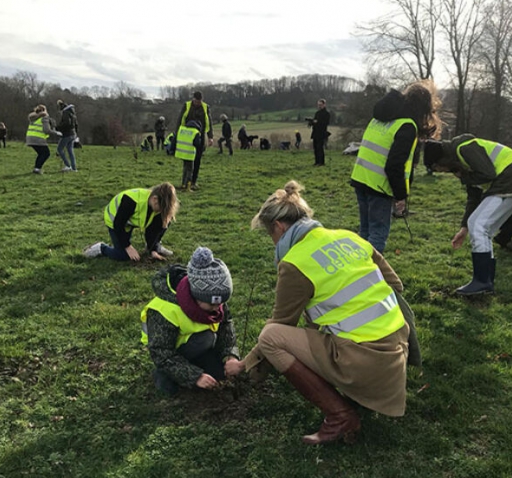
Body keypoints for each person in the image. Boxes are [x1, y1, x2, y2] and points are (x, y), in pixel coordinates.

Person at [225, 180, 410, 445]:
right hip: (395, 358)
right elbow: (395, 286)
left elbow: (280, 325)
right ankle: (360, 396)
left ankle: (339, 415)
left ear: (278, 227)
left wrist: (244, 366)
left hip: (364, 365)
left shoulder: (295, 262)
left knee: (270, 337)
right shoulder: (349, 237)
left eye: (271, 236)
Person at [423, 135, 512, 295]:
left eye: (437, 167)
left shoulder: (465, 149)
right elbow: (474, 197)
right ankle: (486, 281)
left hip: (511, 180)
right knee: (482, 228)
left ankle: (481, 282)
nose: (440, 171)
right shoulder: (462, 162)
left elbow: (488, 174)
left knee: (480, 227)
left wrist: (465, 178)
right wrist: (464, 229)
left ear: (442, 159)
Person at [350, 80, 441, 254]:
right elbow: (394, 165)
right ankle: (368, 275)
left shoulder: (379, 118)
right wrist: (400, 196)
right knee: (377, 235)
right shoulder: (407, 126)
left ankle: (355, 272)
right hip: (379, 187)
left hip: (360, 179)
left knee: (365, 232)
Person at [141, 246, 240, 395]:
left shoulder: (214, 299)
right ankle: (163, 373)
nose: (217, 308)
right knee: (170, 389)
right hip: (169, 353)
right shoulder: (164, 310)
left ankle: (196, 363)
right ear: (195, 295)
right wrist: (195, 376)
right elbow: (161, 351)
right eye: (212, 304)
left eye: (220, 303)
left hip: (198, 346)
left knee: (219, 374)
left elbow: (226, 325)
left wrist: (230, 355)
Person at [82, 182, 179, 262]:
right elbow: (118, 225)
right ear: (154, 199)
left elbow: (152, 230)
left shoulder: (158, 207)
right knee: (123, 256)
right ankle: (100, 248)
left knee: (165, 219)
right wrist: (128, 246)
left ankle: (155, 246)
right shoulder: (131, 201)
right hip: (115, 220)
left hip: (132, 220)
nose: (161, 211)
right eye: (161, 209)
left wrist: (153, 249)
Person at [178, 91, 213, 187]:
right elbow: (180, 119)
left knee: (197, 159)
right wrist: (177, 134)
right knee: (187, 160)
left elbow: (209, 122)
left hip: (200, 136)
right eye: (197, 101)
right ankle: (185, 182)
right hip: (187, 135)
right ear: (193, 99)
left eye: (200, 101)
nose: (198, 103)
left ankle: (193, 181)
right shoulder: (187, 105)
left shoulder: (206, 107)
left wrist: (210, 137)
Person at [25, 104, 60, 174]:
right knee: (46, 153)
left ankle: (37, 168)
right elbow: (46, 130)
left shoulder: (33, 118)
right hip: (38, 139)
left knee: (41, 154)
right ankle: (37, 169)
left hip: (30, 138)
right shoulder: (44, 117)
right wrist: (56, 133)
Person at [175, 119, 202, 191]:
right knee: (190, 170)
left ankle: (183, 184)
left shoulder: (182, 129)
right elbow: (197, 144)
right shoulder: (195, 132)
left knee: (185, 169)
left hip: (181, 153)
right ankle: (188, 187)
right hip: (189, 153)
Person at [56, 100, 78, 172]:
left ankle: (67, 165)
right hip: (73, 134)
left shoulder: (65, 113)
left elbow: (66, 123)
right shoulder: (73, 113)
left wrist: (58, 128)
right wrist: (76, 134)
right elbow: (76, 125)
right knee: (70, 151)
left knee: (59, 149)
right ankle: (74, 168)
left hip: (67, 134)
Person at [310, 99, 330, 166]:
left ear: (324, 105)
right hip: (315, 132)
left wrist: (317, 122)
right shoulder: (317, 113)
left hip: (322, 133)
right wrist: (311, 122)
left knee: (320, 148)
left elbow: (325, 123)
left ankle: (321, 162)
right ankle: (316, 161)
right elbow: (314, 121)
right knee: (315, 148)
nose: (319, 106)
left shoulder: (327, 114)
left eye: (321, 105)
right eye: (318, 105)